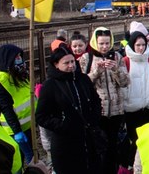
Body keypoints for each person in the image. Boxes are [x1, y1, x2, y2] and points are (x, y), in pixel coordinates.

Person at [36, 44, 102, 174]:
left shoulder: (83, 79)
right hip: (65, 143)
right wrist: (62, 125)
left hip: (88, 138)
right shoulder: (50, 86)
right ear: (56, 64)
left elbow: (95, 101)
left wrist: (94, 118)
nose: (71, 65)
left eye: (73, 61)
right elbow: (41, 116)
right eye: (66, 63)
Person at [79, 27, 130, 174]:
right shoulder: (86, 58)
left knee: (113, 146)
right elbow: (83, 84)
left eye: (107, 43)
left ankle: (112, 170)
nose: (104, 47)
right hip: (97, 111)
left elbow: (125, 82)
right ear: (95, 42)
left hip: (116, 110)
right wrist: (97, 72)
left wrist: (115, 70)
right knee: (98, 146)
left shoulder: (117, 57)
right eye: (101, 43)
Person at [121, 31, 149, 169]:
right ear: (132, 45)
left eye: (143, 45)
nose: (141, 48)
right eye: (138, 45)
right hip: (132, 111)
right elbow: (121, 84)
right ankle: (133, 168)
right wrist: (127, 98)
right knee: (135, 142)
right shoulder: (125, 62)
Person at [0, 44, 33, 164]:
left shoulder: (20, 74)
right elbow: (6, 109)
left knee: (29, 156)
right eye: (16, 57)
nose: (20, 60)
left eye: (20, 56)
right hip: (16, 129)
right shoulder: (2, 81)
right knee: (30, 157)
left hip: (29, 125)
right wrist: (17, 131)